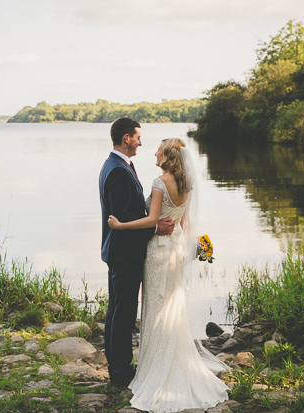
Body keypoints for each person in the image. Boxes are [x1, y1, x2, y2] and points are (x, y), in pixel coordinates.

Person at [107, 138, 229, 412]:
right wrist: (191, 250)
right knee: (172, 306)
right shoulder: (187, 185)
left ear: (167, 156)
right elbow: (184, 224)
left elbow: (152, 220)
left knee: (156, 307)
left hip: (159, 251)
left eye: (158, 149)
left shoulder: (160, 182)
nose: (154, 151)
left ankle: (156, 369)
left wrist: (120, 225)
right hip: (175, 250)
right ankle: (171, 361)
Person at [99, 117, 175, 388]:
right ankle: (120, 373)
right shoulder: (118, 169)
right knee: (123, 314)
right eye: (138, 137)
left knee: (117, 312)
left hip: (120, 252)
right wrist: (155, 229)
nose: (141, 142)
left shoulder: (116, 165)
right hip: (125, 253)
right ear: (126, 138)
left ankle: (118, 369)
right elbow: (124, 218)